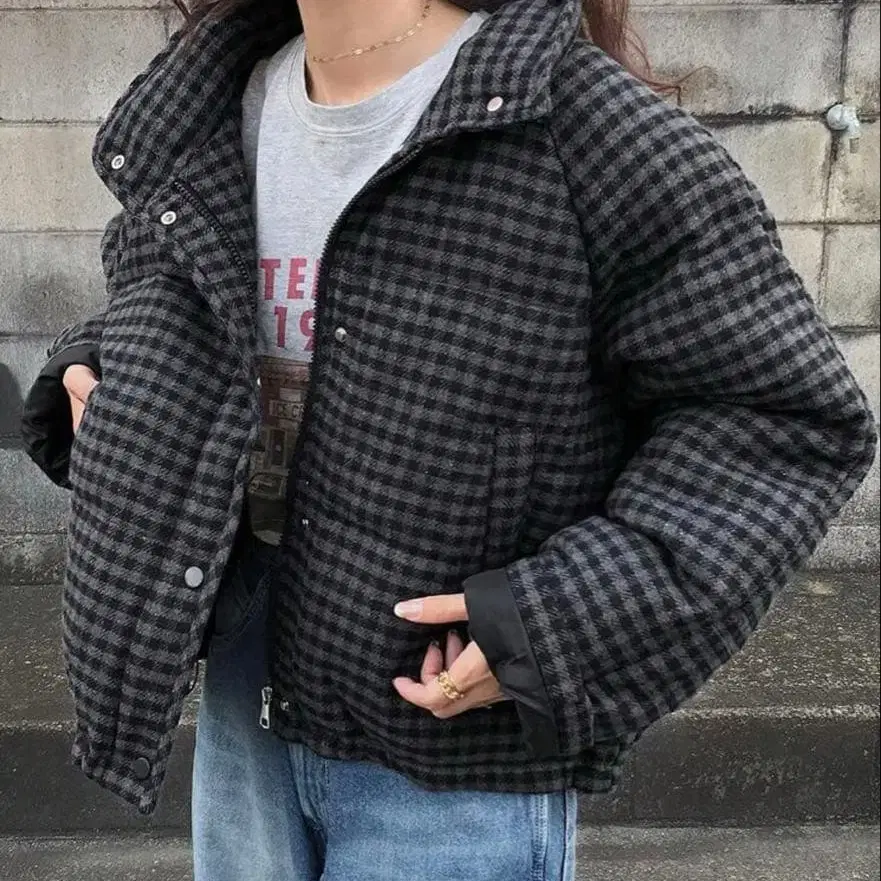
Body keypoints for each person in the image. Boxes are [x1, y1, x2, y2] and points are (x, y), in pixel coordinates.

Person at [19, 0, 878, 878]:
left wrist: (558, 624)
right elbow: (191, 304)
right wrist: (106, 370)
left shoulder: (586, 133)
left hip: (448, 752)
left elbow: (779, 419)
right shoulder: (207, 105)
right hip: (245, 692)